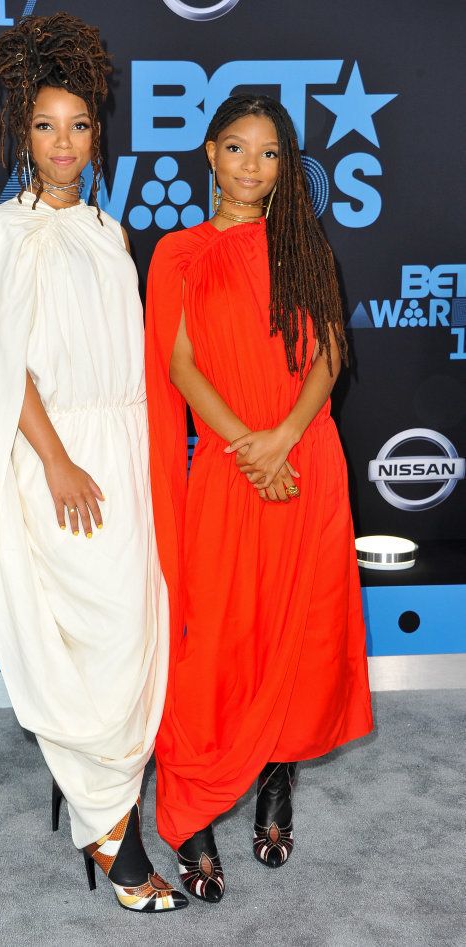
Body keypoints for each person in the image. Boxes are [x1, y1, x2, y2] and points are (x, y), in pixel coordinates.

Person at [0, 13, 186, 913]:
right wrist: (56, 460)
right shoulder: (2, 232)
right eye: (46, 126)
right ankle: (108, 828)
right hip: (56, 456)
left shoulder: (109, 230)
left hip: (126, 453)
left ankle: (111, 796)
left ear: (101, 131)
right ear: (23, 131)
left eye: (81, 125)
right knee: (88, 636)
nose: (64, 144)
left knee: (134, 633)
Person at [145, 92, 373, 902]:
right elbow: (179, 368)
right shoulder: (177, 253)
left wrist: (279, 441)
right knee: (211, 644)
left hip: (305, 462)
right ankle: (193, 818)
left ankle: (276, 785)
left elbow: (330, 356)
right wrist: (249, 444)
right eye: (236, 148)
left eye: (270, 152)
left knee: (295, 634)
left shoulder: (304, 247)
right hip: (230, 467)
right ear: (209, 154)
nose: (252, 165)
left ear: (286, 167)